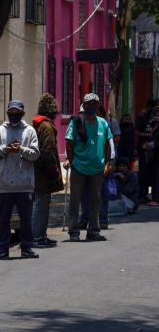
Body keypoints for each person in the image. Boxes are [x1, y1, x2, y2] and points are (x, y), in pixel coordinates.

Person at [0, 100, 41, 259]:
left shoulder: (30, 131)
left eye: (17, 112)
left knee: (25, 219)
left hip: (24, 184)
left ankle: (26, 248)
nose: (13, 114)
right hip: (4, 184)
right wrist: (5, 149)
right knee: (4, 220)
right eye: (11, 111)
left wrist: (21, 149)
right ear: (7, 112)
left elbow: (35, 154)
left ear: (22, 113)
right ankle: (2, 249)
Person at [65, 93, 113, 242]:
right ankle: (74, 232)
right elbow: (69, 143)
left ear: (98, 106)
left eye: (94, 104)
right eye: (88, 104)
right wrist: (72, 162)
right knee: (75, 200)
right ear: (83, 105)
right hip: (79, 167)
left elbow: (107, 144)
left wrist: (107, 163)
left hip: (97, 169)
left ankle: (93, 230)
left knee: (95, 200)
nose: (91, 106)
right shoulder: (76, 122)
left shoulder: (103, 123)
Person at [31, 93, 64, 248]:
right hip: (44, 174)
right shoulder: (47, 127)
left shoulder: (37, 125)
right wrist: (54, 172)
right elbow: (48, 151)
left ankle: (41, 235)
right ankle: (38, 237)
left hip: (37, 172)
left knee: (41, 204)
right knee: (41, 205)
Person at [135, 99, 157, 202]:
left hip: (152, 148)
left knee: (151, 171)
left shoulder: (151, 117)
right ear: (149, 107)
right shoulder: (141, 117)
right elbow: (137, 132)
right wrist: (150, 135)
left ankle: (151, 193)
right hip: (143, 148)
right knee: (143, 171)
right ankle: (142, 194)